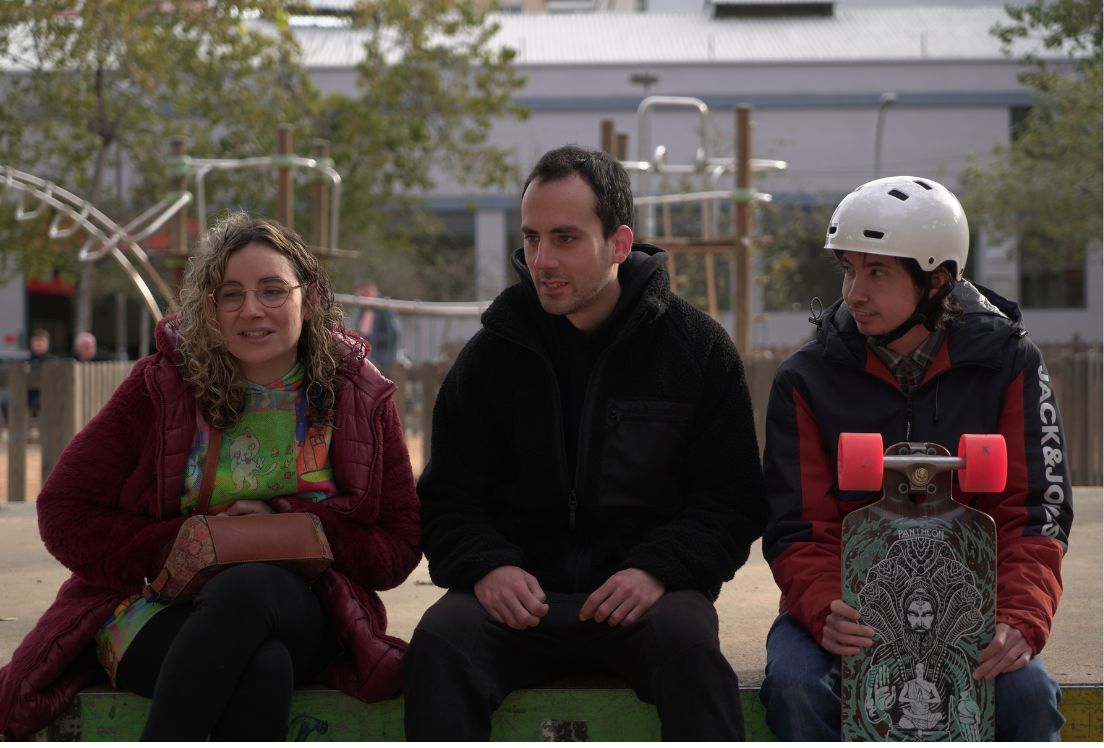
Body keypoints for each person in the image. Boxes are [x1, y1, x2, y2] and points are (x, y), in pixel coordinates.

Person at [0, 214, 422, 740]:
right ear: (208, 306)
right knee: (263, 670)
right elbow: (64, 510)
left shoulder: (357, 394)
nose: (251, 310)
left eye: (272, 290)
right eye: (230, 294)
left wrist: (286, 527)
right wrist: (185, 542)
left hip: (308, 609)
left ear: (308, 298)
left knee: (252, 584)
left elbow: (400, 542)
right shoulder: (162, 386)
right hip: (155, 607)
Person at [401, 145, 767, 741]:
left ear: (619, 244)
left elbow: (731, 500)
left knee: (691, 649)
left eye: (565, 238)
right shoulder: (492, 356)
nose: (541, 259)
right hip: (515, 602)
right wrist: (488, 565)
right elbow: (447, 498)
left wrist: (656, 568)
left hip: (646, 600)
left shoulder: (696, 350)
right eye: (531, 237)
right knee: (439, 647)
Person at [758, 175, 1073, 741]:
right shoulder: (806, 379)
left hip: (968, 606)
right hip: (849, 608)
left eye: (876, 273)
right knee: (795, 688)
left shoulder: (1009, 364)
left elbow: (1034, 511)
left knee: (1029, 697)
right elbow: (797, 526)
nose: (854, 292)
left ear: (937, 281)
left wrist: (1020, 618)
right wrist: (827, 606)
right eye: (848, 270)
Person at [1, 328, 52, 425]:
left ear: (47, 344)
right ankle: (14, 427)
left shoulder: (53, 362)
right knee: (5, 401)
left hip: (44, 394)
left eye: (41, 341)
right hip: (25, 393)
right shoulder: (24, 362)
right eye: (36, 341)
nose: (38, 344)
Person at [347, 280, 402, 370]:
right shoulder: (363, 309)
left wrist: (369, 338)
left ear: (370, 292)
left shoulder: (385, 309)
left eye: (363, 296)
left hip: (380, 361)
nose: (361, 301)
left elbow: (392, 335)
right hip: (365, 358)